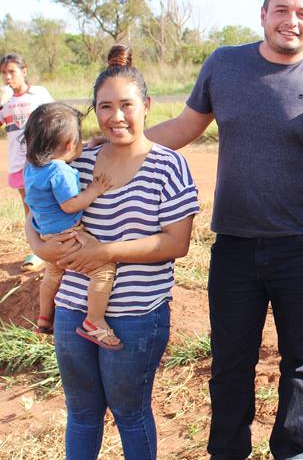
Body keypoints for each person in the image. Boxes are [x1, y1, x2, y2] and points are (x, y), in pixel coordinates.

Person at [143, 0, 303, 459]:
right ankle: (227, 451)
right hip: (235, 245)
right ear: (263, 15)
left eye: (302, 13)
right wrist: (119, 149)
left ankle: (292, 451)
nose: (291, 20)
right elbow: (185, 127)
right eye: (281, 10)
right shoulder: (225, 65)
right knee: (230, 362)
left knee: (301, 362)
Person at [25, 44, 199, 459]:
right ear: (95, 111)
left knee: (130, 412)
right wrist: (45, 250)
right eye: (105, 107)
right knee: (82, 412)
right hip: (72, 309)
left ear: (147, 106)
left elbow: (178, 242)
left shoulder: (167, 166)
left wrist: (106, 253)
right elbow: (35, 218)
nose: (116, 116)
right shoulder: (77, 161)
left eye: (126, 105)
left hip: (137, 314)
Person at [23, 102, 118, 341]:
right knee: (104, 270)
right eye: (78, 140)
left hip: (46, 234)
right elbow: (71, 204)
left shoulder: (33, 166)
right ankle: (94, 320)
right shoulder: (60, 171)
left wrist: (88, 146)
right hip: (68, 234)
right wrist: (95, 190)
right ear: (67, 144)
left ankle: (44, 318)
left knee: (52, 274)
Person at [1, 53, 54, 272]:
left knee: (47, 204)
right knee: (29, 208)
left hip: (41, 161)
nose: (7, 77)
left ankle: (53, 249)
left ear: (24, 71)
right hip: (18, 164)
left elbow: (57, 117)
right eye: (4, 73)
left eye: (11, 72)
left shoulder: (38, 94)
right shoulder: (6, 102)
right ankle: (36, 250)